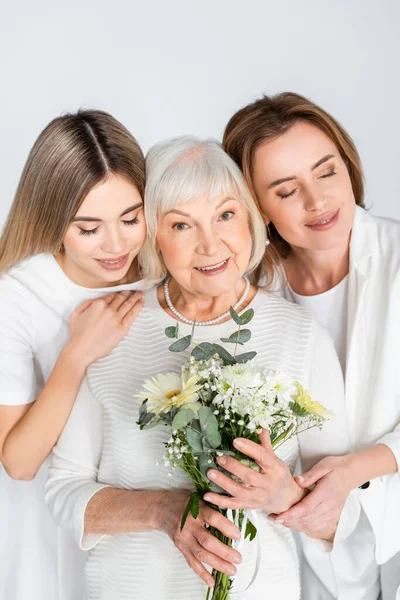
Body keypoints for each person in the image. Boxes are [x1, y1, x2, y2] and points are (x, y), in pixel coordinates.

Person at [45, 136, 350, 600]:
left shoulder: (300, 336)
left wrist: (281, 494)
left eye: (226, 215)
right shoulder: (110, 327)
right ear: (152, 237)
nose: (210, 244)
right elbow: (64, 493)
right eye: (182, 225)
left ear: (249, 221)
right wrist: (164, 511)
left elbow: (342, 519)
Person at [223, 91, 400, 599]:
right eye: (286, 190)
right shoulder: (247, 296)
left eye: (326, 172)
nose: (317, 201)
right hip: (296, 552)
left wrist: (355, 471)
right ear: (256, 208)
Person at [0, 109, 146, 600]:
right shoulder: (18, 296)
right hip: (49, 532)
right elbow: (18, 462)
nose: (116, 244)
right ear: (52, 218)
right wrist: (75, 356)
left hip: (144, 518)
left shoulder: (162, 271)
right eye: (89, 229)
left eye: (131, 218)